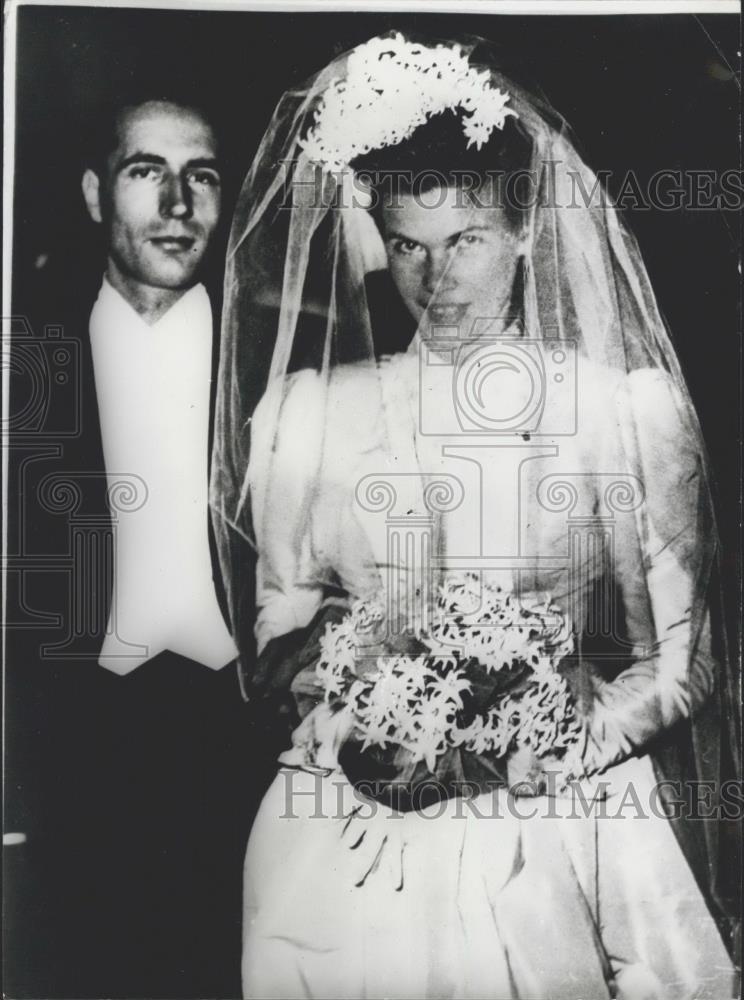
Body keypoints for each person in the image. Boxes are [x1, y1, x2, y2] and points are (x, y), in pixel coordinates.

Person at [210, 33, 740, 999]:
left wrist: (540, 734)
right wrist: (365, 713)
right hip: (349, 822)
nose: (435, 280)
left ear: (526, 231)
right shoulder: (311, 413)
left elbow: (681, 659)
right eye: (408, 244)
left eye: (467, 241)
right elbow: (277, 637)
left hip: (557, 819)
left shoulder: (616, 414)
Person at [6, 94, 257, 997]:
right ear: (94, 193)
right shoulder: (24, 344)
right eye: (146, 171)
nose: (179, 203)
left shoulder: (273, 356)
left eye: (203, 177)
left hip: (241, 732)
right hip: (73, 737)